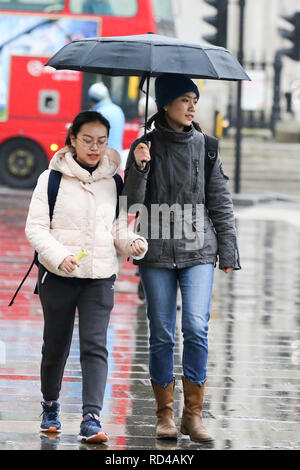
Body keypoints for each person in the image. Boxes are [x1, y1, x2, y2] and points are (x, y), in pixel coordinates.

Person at [122, 74, 241, 442]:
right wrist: (140, 167)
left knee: (195, 326)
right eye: (185, 100)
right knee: (161, 333)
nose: (192, 107)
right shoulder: (144, 146)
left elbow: (219, 201)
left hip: (199, 249)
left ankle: (193, 415)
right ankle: (165, 416)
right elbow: (130, 202)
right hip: (156, 250)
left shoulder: (207, 146)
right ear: (164, 105)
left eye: (195, 100)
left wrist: (228, 249)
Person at [25, 110, 147, 443]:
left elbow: (118, 227)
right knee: (56, 347)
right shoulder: (50, 179)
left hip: (100, 276)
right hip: (58, 275)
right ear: (72, 139)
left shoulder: (115, 180)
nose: (95, 148)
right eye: (88, 140)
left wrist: (132, 242)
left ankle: (91, 418)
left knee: (95, 345)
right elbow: (35, 228)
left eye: (102, 141)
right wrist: (59, 255)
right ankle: (50, 405)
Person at [88, 82, 125, 154]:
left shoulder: (97, 114)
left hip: (103, 160)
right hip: (118, 158)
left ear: (92, 100)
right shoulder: (118, 110)